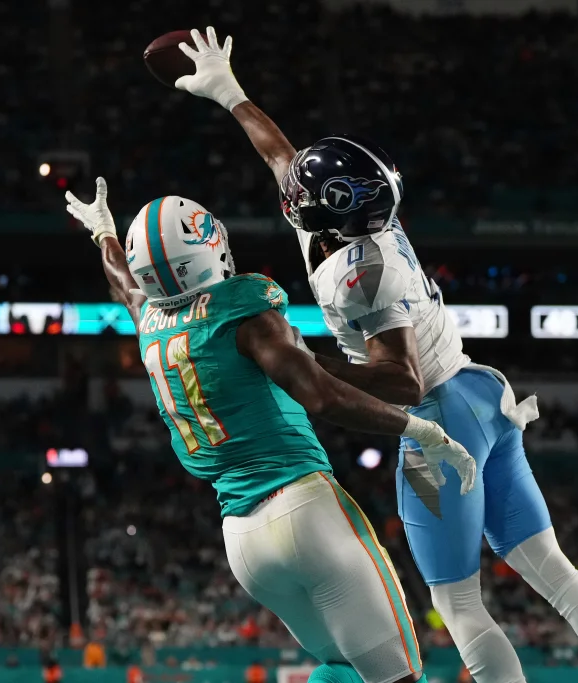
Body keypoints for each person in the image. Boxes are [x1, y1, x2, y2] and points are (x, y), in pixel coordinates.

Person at [171, 27, 578, 683]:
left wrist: (298, 363)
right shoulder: (351, 217)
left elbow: (402, 379)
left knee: (456, 602)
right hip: (485, 396)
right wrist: (230, 92)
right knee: (554, 569)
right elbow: (280, 155)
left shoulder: (355, 270)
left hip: (438, 423)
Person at [64, 180, 477, 683]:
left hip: (242, 538)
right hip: (304, 510)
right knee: (401, 677)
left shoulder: (148, 317)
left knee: (343, 671)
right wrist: (422, 429)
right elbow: (321, 395)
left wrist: (104, 233)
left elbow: (123, 282)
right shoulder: (245, 312)